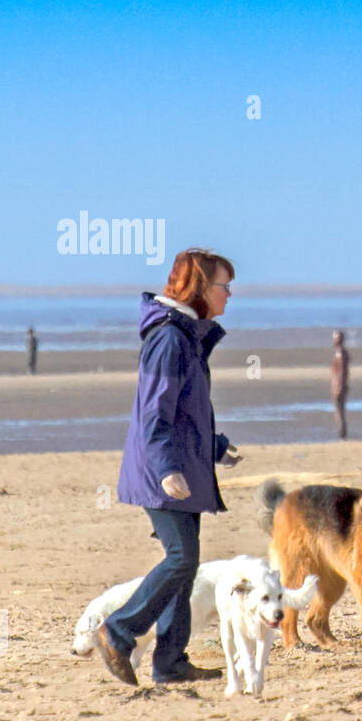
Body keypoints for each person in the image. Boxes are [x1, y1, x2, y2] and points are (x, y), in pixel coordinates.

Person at [95, 248, 243, 686]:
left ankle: (172, 663)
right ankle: (118, 631)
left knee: (186, 562)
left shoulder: (189, 339)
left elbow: (187, 414)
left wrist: (214, 447)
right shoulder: (169, 340)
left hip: (181, 470)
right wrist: (165, 470)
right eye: (224, 286)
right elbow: (154, 415)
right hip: (162, 474)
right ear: (200, 288)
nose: (230, 294)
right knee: (180, 559)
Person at [330, 330, 351, 439]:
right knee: (340, 411)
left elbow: (342, 370)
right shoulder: (342, 352)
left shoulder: (340, 353)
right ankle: (342, 434)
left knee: (340, 412)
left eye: (334, 338)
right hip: (339, 385)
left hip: (339, 386)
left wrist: (339, 386)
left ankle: (342, 435)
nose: (333, 340)